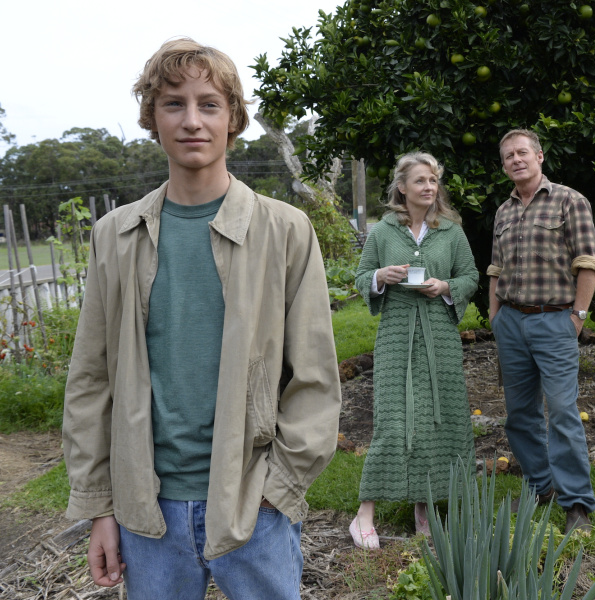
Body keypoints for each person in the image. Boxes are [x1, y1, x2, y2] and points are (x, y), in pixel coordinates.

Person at [62, 38, 341, 599]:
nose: (192, 120)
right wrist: (99, 507)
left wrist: (278, 490)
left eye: (209, 104)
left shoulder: (285, 232)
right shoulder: (115, 236)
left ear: (234, 118)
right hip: (147, 513)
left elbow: (314, 377)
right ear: (152, 117)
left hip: (252, 506)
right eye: (173, 103)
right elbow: (91, 381)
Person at [351, 152, 479, 548]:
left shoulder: (451, 231)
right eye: (421, 180)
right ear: (402, 187)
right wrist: (379, 276)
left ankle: (423, 508)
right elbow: (359, 277)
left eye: (433, 180)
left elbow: (470, 276)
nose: (429, 186)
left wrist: (445, 288)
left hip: (439, 335)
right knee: (393, 421)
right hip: (396, 333)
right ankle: (363, 515)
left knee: (437, 422)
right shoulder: (383, 232)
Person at [487, 129, 595, 534]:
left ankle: (576, 504)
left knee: (563, 413)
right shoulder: (503, 211)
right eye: (508, 157)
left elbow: (587, 263)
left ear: (539, 156)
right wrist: (494, 315)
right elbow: (496, 269)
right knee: (520, 415)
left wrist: (578, 318)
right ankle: (541, 486)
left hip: (555, 321)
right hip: (511, 323)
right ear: (504, 165)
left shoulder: (570, 201)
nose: (515, 160)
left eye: (522, 153)